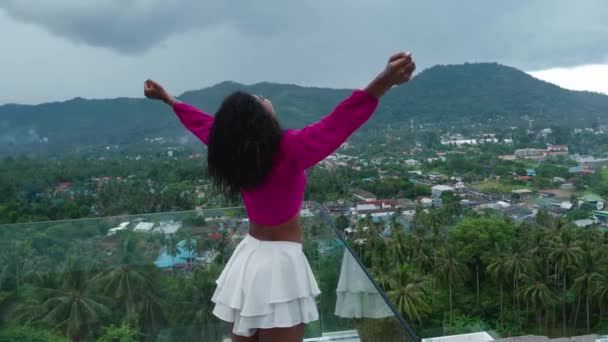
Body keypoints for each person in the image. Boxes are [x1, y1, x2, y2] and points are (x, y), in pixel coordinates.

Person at [143, 51, 416, 342]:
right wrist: (386, 80)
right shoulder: (289, 150)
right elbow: (340, 121)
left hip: (249, 256)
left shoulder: (230, 149)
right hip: (280, 265)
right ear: (259, 119)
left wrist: (168, 99)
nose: (262, 98)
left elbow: (201, 123)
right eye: (258, 101)